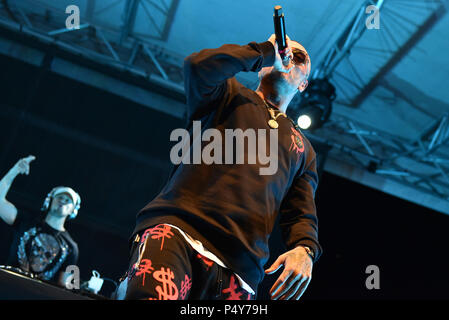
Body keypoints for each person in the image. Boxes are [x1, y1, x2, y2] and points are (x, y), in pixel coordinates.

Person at [119, 34, 322, 300]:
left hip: (240, 270)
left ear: (304, 84)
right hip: (179, 232)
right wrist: (265, 52)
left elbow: (301, 214)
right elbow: (198, 65)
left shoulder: (303, 149)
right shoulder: (228, 94)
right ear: (263, 64)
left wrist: (304, 249)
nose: (288, 58)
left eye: (298, 57)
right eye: (282, 52)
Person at [0, 155, 80, 286]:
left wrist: (82, 287)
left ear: (73, 210)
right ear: (49, 201)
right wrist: (14, 171)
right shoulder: (26, 221)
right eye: (59, 197)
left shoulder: (71, 247)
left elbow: (65, 287)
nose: (63, 201)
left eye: (68, 201)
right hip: (6, 284)